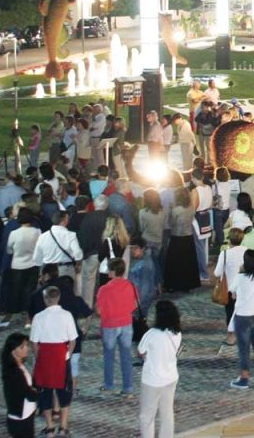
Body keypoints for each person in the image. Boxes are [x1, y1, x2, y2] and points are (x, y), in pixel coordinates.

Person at [29, 286, 78, 437]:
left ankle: (49, 427)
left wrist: (39, 358)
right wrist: (66, 355)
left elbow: (34, 343)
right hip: (62, 358)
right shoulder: (67, 315)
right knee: (64, 391)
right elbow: (72, 340)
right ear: (58, 298)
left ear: (45, 299)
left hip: (45, 358)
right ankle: (63, 426)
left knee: (44, 392)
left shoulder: (38, 317)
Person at [137, 300, 181, 438]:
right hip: (171, 377)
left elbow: (140, 351)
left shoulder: (151, 334)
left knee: (147, 416)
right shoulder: (177, 333)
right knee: (167, 413)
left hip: (152, 380)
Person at [95, 258, 136, 397]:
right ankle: (128, 387)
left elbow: (99, 311)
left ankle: (109, 384)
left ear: (113, 271)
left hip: (110, 325)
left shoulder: (104, 289)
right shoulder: (130, 285)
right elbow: (135, 304)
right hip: (126, 323)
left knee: (109, 356)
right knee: (126, 355)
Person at [229, 249, 254, 388]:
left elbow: (232, 293)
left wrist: (240, 271)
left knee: (244, 348)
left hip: (243, 316)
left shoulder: (240, 277)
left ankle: (244, 378)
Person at [164, 187, 201, 293]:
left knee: (175, 262)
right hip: (188, 236)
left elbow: (171, 223)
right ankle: (188, 285)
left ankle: (173, 285)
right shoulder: (191, 208)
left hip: (177, 236)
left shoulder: (176, 210)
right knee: (188, 262)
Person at [1, 332, 37, 438]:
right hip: (20, 421)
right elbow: (29, 394)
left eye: (26, 345)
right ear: (13, 352)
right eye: (22, 346)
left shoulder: (19, 366)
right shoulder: (14, 373)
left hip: (27, 415)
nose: (27, 348)